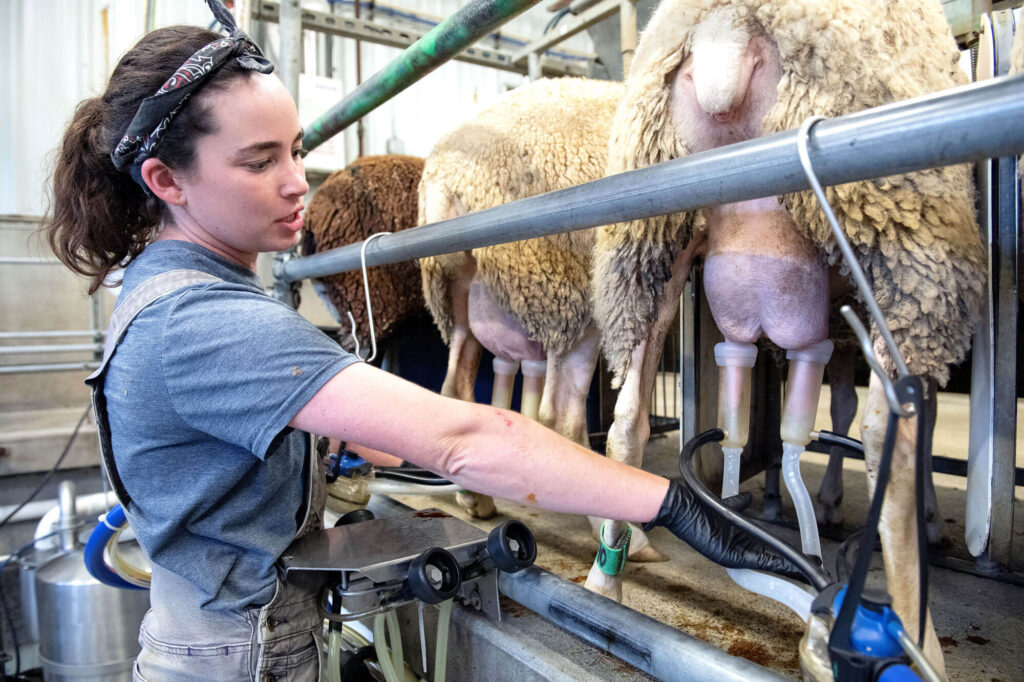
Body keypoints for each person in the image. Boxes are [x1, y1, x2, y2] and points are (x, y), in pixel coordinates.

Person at [43, 2, 797, 680]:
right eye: (259, 161)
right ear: (165, 181)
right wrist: (669, 503)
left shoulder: (176, 288)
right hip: (236, 661)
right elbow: (464, 437)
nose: (297, 181)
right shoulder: (203, 322)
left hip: (236, 639)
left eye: (297, 150)